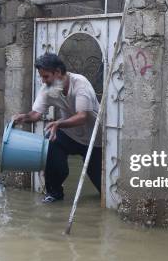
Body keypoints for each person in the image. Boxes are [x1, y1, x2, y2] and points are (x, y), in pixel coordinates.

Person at [13, 53, 102, 203]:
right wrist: (23, 117)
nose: (43, 81)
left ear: (58, 73)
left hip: (94, 138)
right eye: (41, 77)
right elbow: (35, 114)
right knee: (51, 143)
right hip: (69, 134)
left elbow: (82, 117)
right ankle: (54, 193)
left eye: (46, 76)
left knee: (101, 184)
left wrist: (59, 123)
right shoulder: (48, 88)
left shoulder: (80, 84)